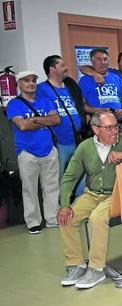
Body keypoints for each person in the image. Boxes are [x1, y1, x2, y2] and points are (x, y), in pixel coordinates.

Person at [57, 111, 122, 288]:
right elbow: (69, 177)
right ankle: (75, 264)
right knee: (66, 218)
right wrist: (64, 204)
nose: (115, 131)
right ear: (95, 129)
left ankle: (96, 269)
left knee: (97, 218)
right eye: (109, 128)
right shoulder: (85, 147)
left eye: (116, 126)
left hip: (117, 195)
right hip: (92, 194)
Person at [7, 70, 61, 234]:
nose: (31, 83)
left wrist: (34, 119)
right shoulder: (14, 104)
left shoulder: (46, 101)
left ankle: (52, 219)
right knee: (29, 189)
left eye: (33, 80)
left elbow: (57, 120)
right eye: (26, 81)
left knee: (52, 187)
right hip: (27, 152)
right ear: (19, 84)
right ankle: (33, 222)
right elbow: (22, 126)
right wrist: (45, 121)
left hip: (48, 150)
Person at [38, 55, 86, 176]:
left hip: (78, 139)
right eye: (62, 65)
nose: (66, 68)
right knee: (60, 177)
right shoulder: (42, 89)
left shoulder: (70, 85)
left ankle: (79, 195)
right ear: (52, 68)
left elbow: (80, 104)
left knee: (79, 176)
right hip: (60, 143)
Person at [78, 48, 122, 125]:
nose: (102, 62)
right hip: (99, 124)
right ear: (92, 62)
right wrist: (102, 111)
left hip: (120, 122)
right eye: (98, 59)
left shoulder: (116, 77)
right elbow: (82, 106)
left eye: (105, 59)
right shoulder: (84, 81)